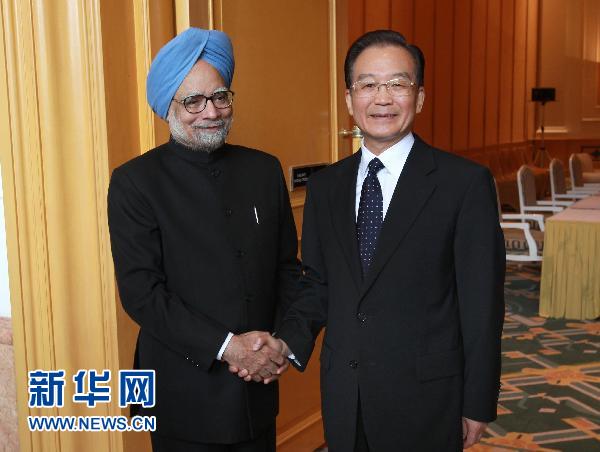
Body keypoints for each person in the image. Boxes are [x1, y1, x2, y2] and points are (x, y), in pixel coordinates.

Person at [234, 30, 506, 451]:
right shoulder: (326, 186)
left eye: (397, 84)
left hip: (428, 398)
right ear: (349, 99)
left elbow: (482, 304)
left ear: (419, 97)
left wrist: (478, 401)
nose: (382, 98)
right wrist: (285, 343)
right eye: (368, 85)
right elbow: (318, 285)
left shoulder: (463, 184)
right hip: (346, 394)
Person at [107, 27, 299, 451]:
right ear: (168, 108)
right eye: (193, 101)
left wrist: (281, 344)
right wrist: (229, 348)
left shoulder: (263, 169)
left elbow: (287, 268)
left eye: (220, 97)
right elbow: (141, 293)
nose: (210, 111)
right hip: (184, 392)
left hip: (257, 385)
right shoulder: (135, 182)